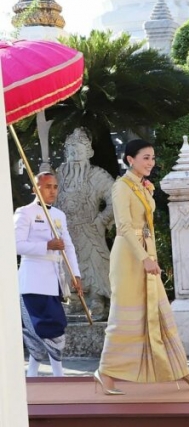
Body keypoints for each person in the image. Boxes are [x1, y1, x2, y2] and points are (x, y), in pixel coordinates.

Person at [95, 139, 189, 395]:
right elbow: (123, 227)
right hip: (128, 257)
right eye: (145, 157)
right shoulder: (121, 187)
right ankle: (105, 374)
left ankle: (183, 371)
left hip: (145, 254)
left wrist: (150, 253)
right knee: (124, 316)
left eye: (152, 158)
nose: (151, 162)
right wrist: (144, 257)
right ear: (130, 159)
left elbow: (147, 226)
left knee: (158, 310)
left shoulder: (143, 186)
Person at [14, 172, 82, 377]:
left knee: (50, 326)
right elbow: (16, 245)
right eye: (47, 186)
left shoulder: (59, 215)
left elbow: (68, 246)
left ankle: (37, 374)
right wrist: (47, 245)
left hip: (55, 279)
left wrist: (76, 275)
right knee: (44, 327)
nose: (52, 191)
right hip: (33, 278)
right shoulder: (24, 213)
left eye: (54, 186)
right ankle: (55, 374)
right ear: (36, 189)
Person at [56, 128, 115, 321]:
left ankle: (96, 299)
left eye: (79, 149)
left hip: (89, 230)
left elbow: (115, 199)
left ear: (89, 152)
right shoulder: (59, 174)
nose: (74, 153)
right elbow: (48, 199)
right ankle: (72, 299)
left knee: (94, 264)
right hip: (65, 231)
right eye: (70, 149)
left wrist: (102, 220)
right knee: (66, 265)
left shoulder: (98, 175)